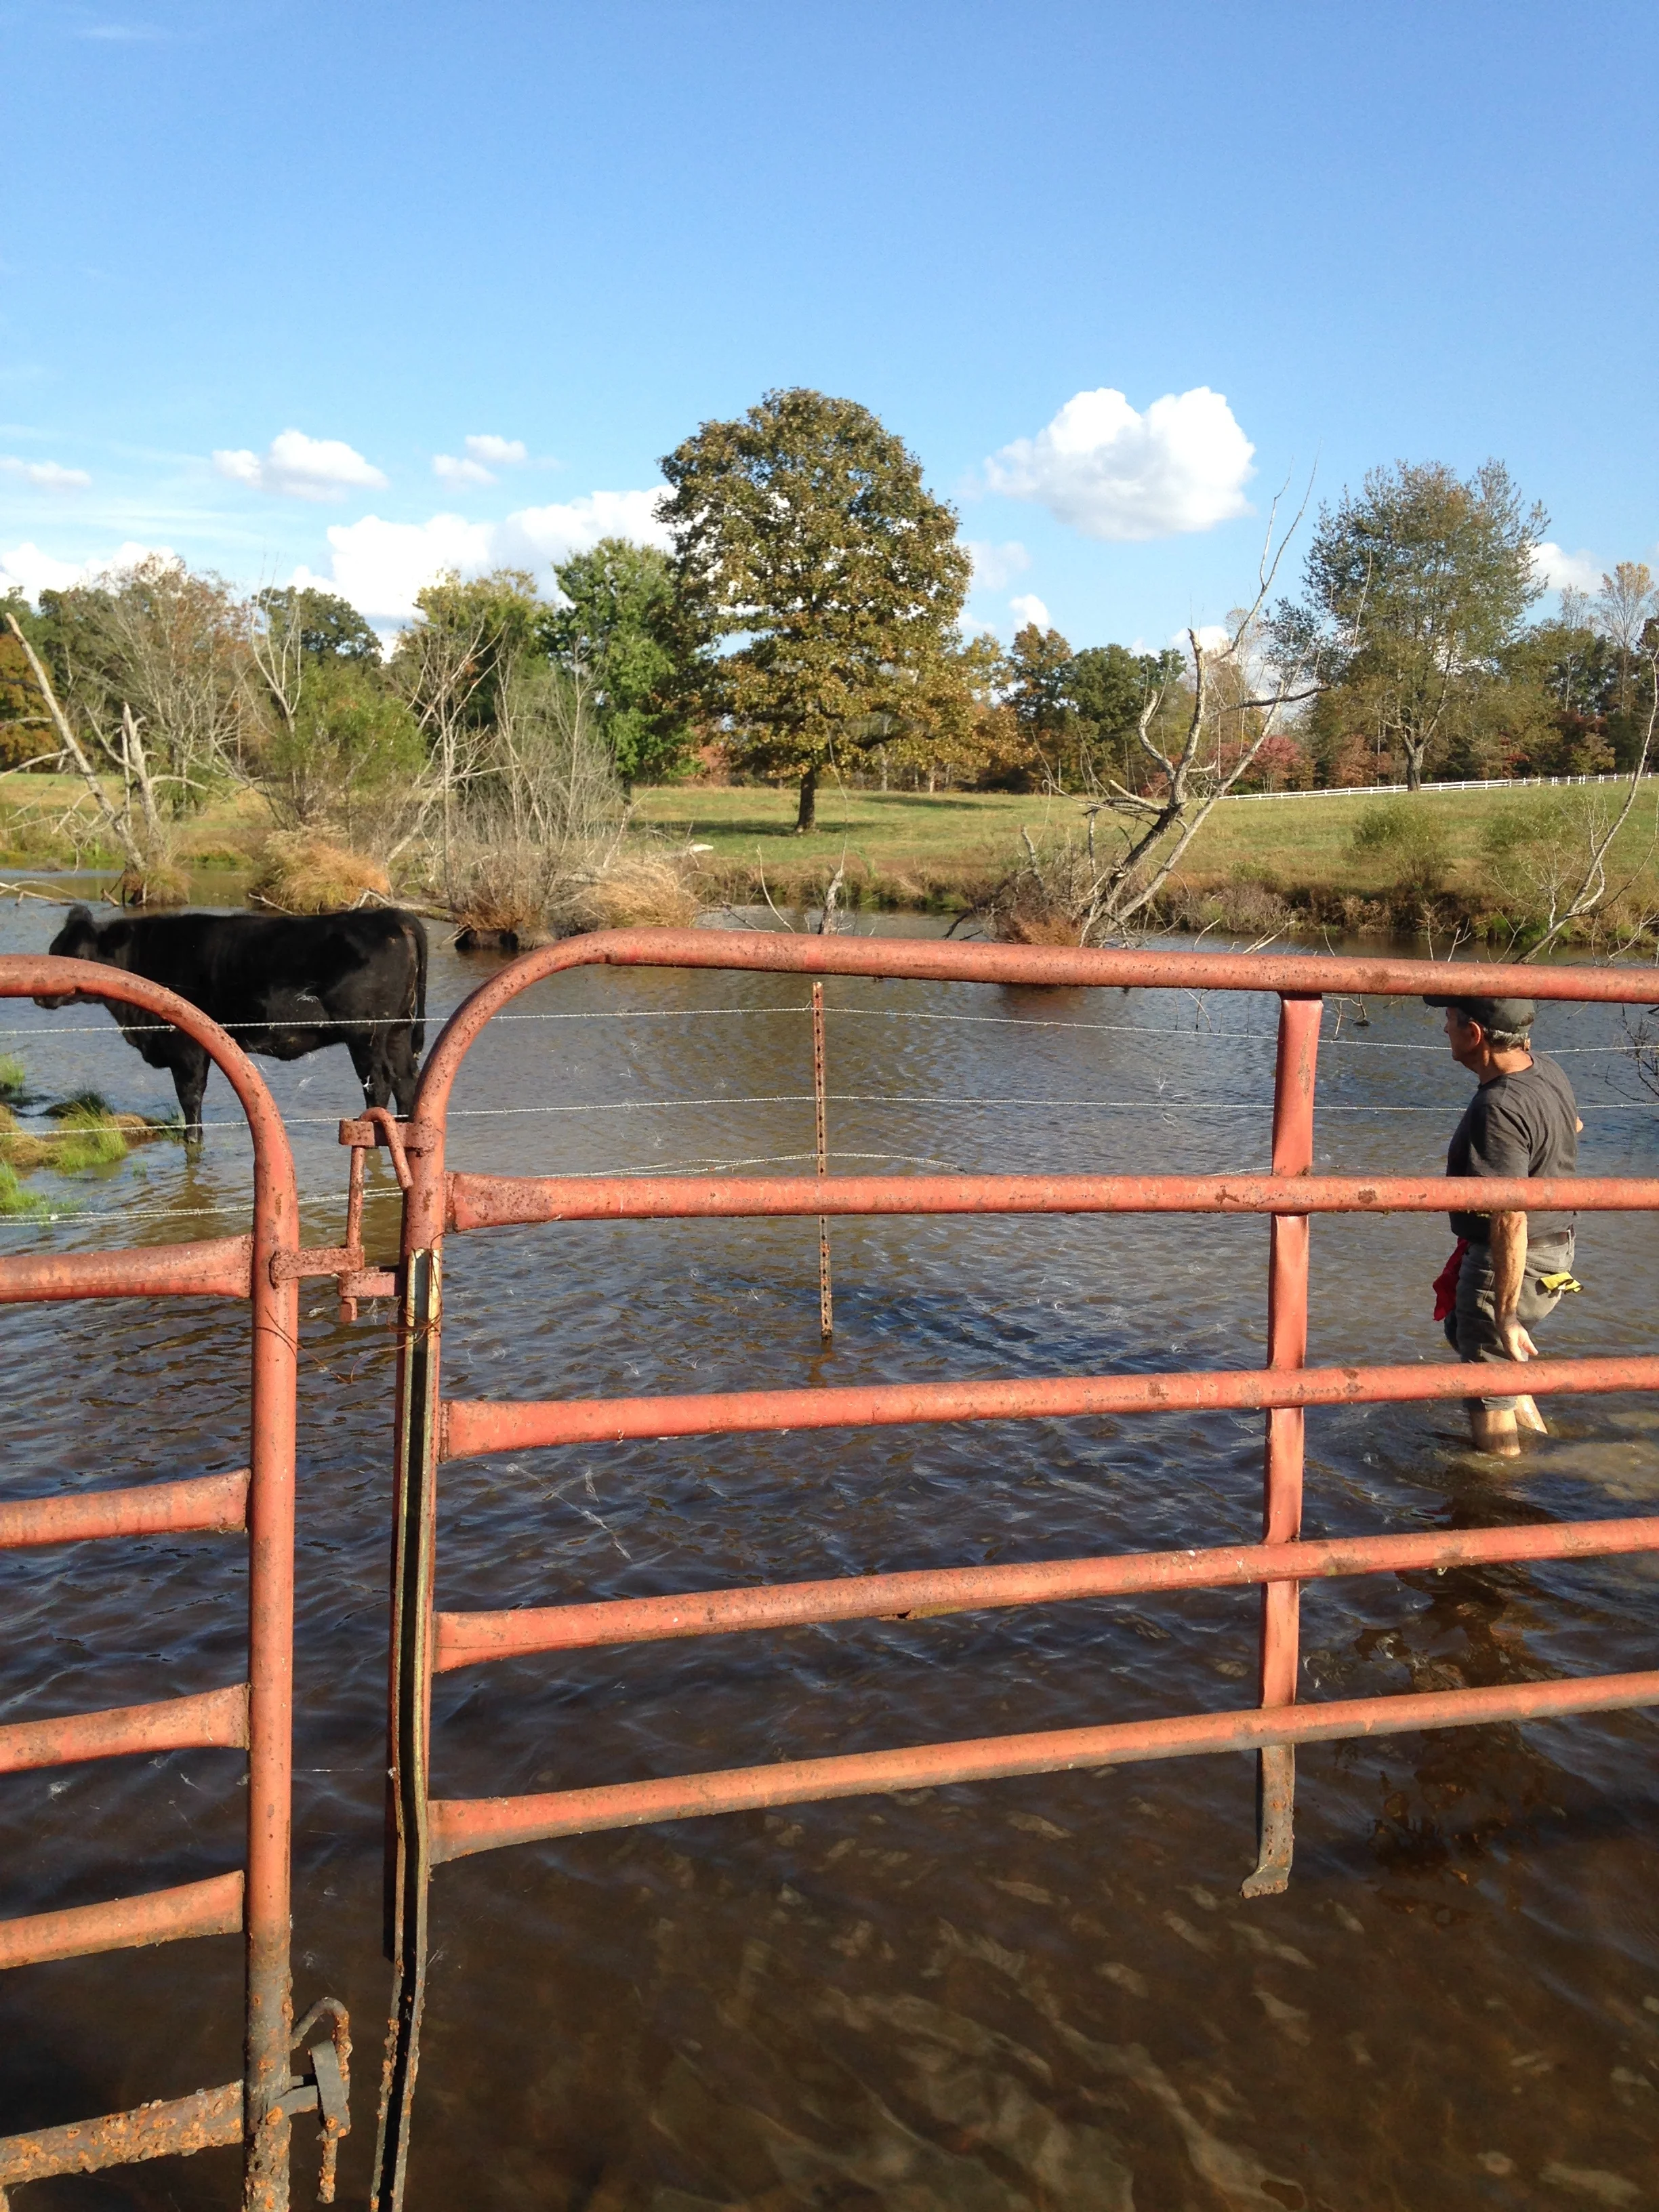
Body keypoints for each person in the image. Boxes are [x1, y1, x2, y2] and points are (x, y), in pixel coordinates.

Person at [1423, 993, 1582, 1457]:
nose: (1445, 1029)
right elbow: (1573, 1126)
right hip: (1557, 1249)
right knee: (1471, 1337)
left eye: (1450, 1020)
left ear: (1475, 1034)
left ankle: (1503, 1488)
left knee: (1486, 1371)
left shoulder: (1498, 1106)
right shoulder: (1545, 1069)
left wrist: (1506, 1311)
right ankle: (1540, 1442)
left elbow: (1510, 1216)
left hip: (1515, 1259)